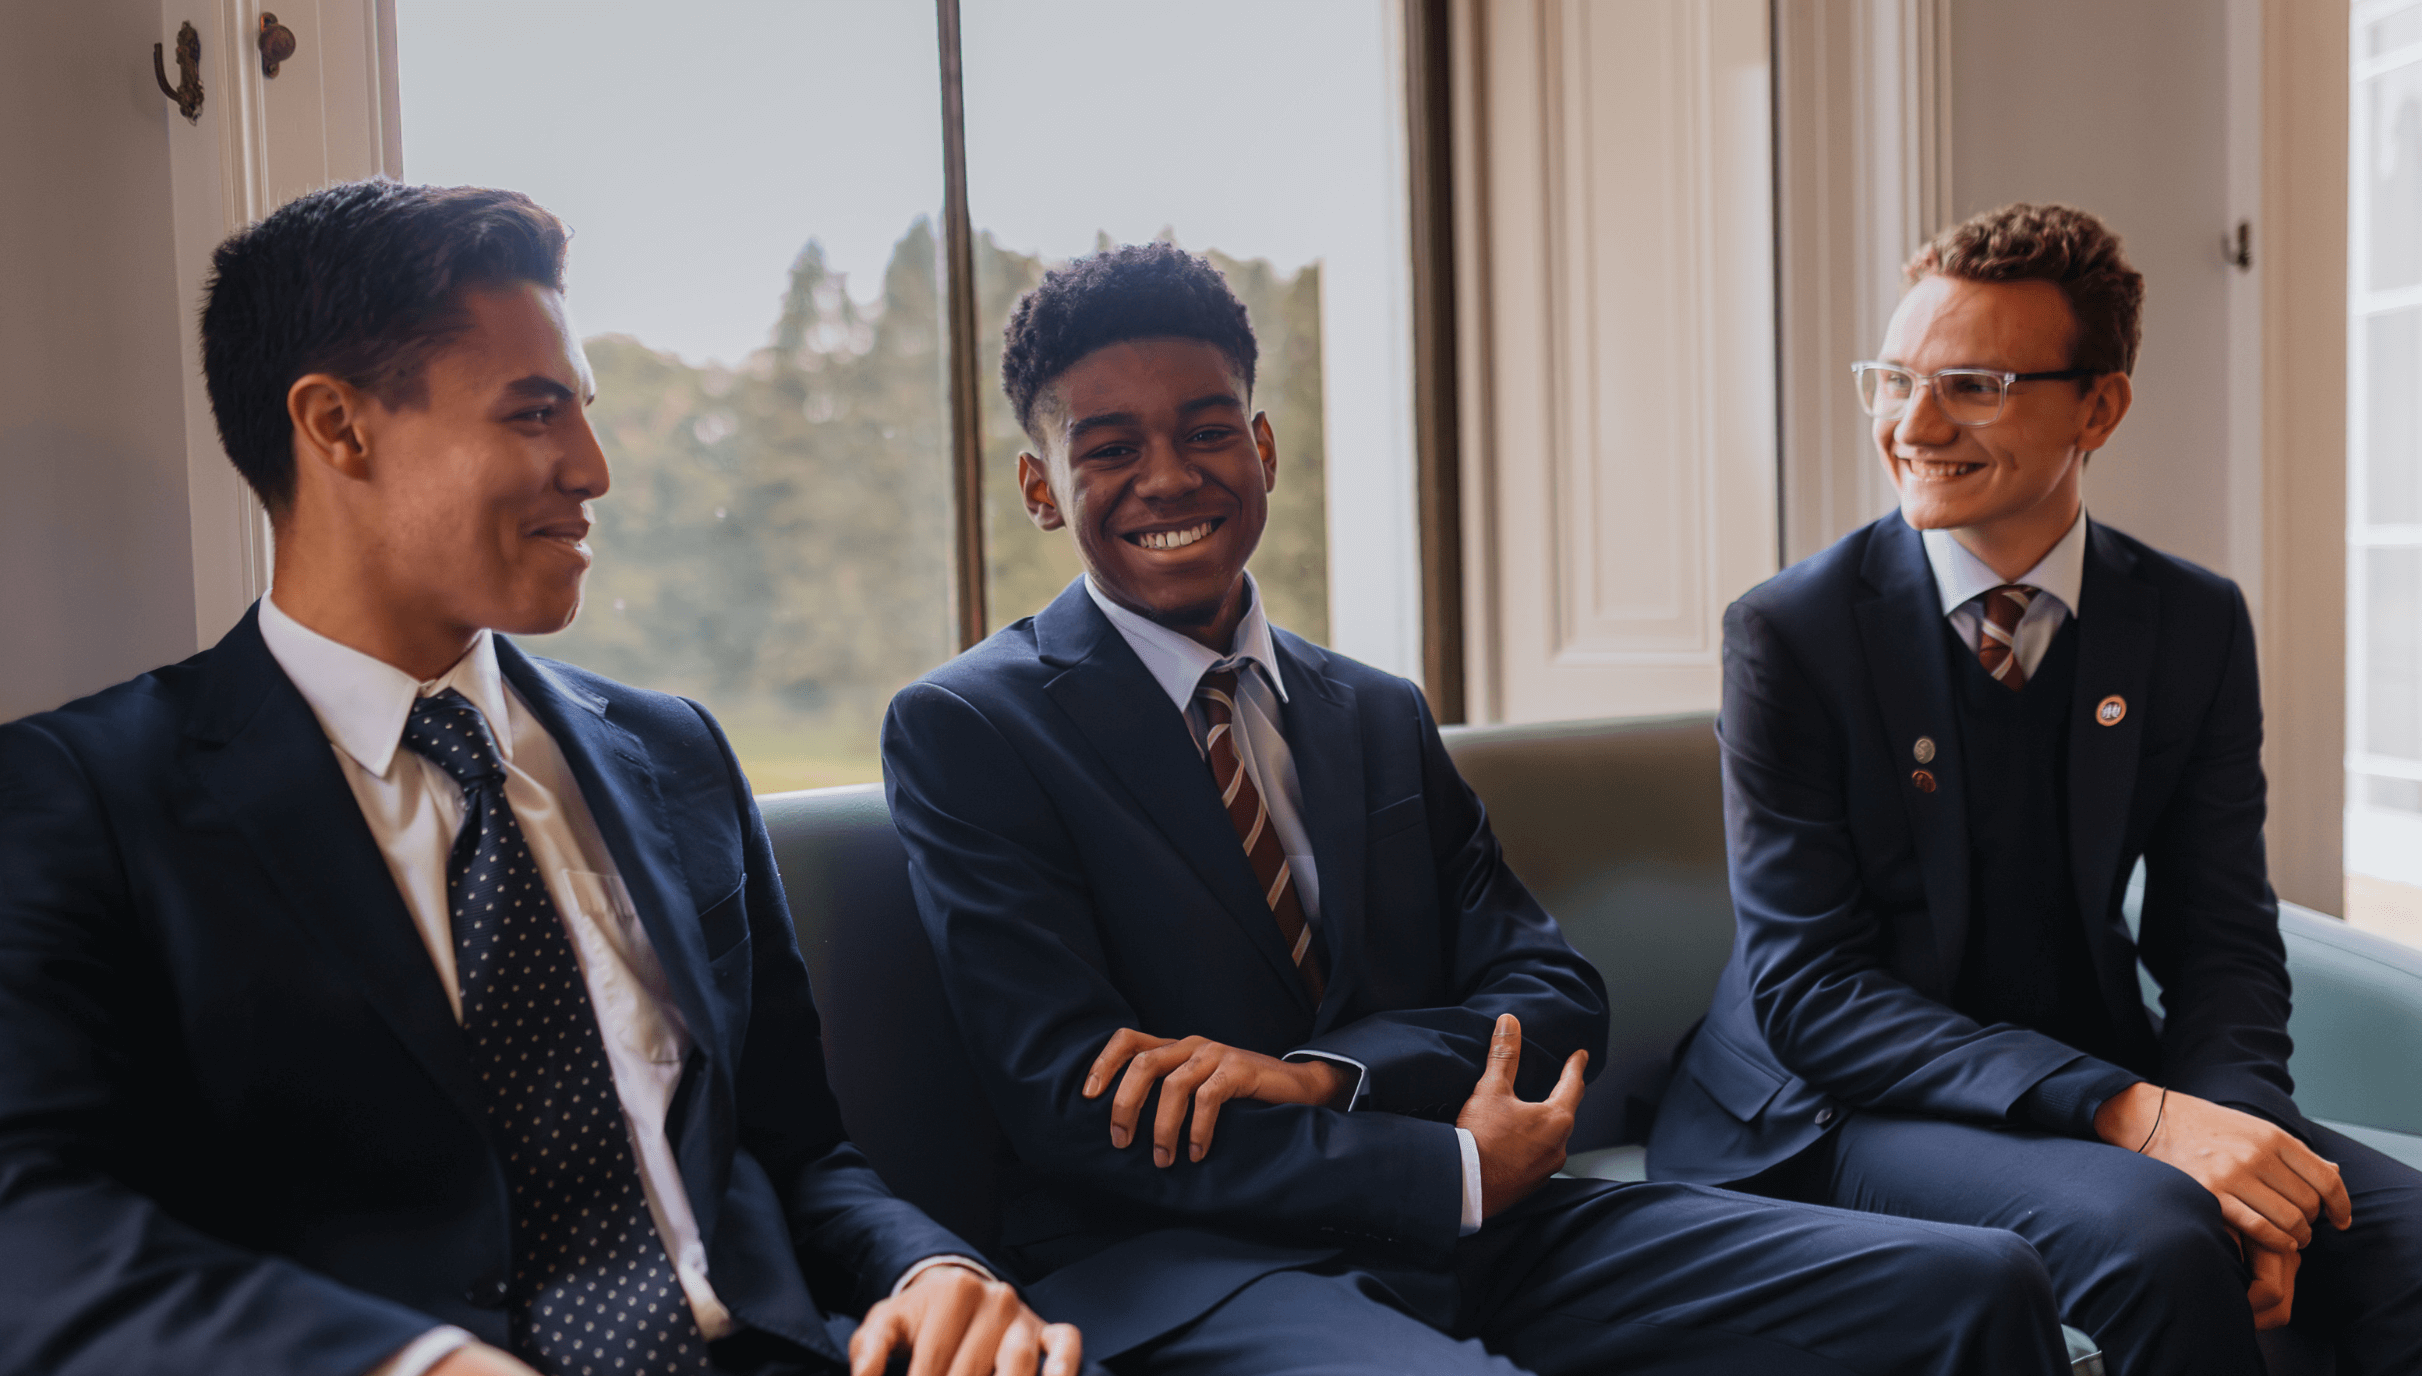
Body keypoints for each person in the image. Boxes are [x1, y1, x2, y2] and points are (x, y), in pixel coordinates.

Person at [0, 179, 1080, 1376]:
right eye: (536, 411)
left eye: (583, 410)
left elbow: (800, 1156)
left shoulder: (677, 754)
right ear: (337, 426)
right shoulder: (92, 790)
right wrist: (413, 1363)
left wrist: (933, 1274)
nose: (595, 467)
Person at [878, 241, 2079, 1375]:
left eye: (1206, 432)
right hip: (1191, 1268)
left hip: (1485, 1225)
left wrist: (1324, 1073)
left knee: (1981, 1280)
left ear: (1265, 448)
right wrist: (1442, 1167)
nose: (1168, 478)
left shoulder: (1374, 711)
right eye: (1109, 450)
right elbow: (1081, 1108)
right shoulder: (969, 729)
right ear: (1041, 486)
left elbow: (1552, 997)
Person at [1646, 202, 2422, 1373]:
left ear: (2097, 406)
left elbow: (2218, 933)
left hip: (2087, 1067)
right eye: (1893, 379)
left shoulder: (2190, 620)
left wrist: (2243, 1132)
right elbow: (1809, 992)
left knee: (2404, 1237)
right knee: (2162, 1236)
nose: (1911, 424)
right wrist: (2135, 1112)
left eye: (1972, 384)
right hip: (1831, 1105)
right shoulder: (1790, 631)